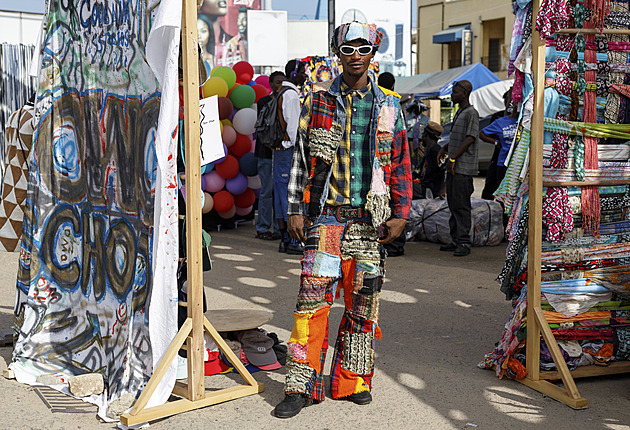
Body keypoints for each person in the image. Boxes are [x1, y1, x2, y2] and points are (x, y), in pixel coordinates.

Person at [272, 21, 411, 418]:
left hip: (368, 223)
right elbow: (300, 159)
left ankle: (352, 383)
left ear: (373, 53)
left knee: (362, 306)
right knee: (311, 306)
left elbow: (400, 160)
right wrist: (296, 210)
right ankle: (301, 386)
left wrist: (401, 213)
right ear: (338, 53)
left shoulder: (389, 105)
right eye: (347, 48)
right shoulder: (317, 101)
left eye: (362, 48)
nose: (354, 55)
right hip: (327, 220)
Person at [438, 80, 479, 257]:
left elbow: (470, 138)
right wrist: (446, 147)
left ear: (465, 93)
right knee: (453, 203)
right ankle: (455, 239)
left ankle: (463, 242)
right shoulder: (460, 112)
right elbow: (459, 137)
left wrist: (454, 158)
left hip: (463, 168)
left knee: (461, 205)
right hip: (455, 167)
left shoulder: (471, 113)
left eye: (455, 92)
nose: (452, 95)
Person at [275, 59, 307, 254]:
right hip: (289, 151)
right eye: (303, 72)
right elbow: (294, 128)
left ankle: (284, 240)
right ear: (294, 74)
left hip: (279, 152)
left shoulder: (280, 92)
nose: (305, 75)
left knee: (280, 196)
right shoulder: (292, 95)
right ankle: (294, 242)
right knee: (290, 195)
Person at [254, 71, 285, 240]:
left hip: (280, 153)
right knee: (266, 192)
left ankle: (279, 228)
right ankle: (263, 228)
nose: (280, 85)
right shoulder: (264, 102)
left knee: (279, 192)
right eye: (277, 82)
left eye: (283, 81)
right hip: (265, 153)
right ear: (271, 83)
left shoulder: (287, 101)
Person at [479, 88, 517, 195]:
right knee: (493, 187)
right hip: (501, 159)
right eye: (507, 101)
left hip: (517, 162)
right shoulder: (499, 118)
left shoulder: (524, 120)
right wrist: (496, 142)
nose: (509, 104)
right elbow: (482, 134)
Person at [419, 120, 445, 199]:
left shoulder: (436, 151)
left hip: (430, 189)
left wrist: (443, 190)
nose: (422, 136)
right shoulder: (428, 151)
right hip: (424, 186)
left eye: (423, 134)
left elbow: (446, 169)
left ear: (426, 135)